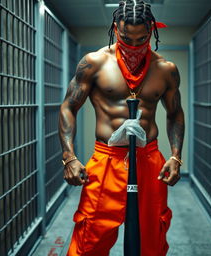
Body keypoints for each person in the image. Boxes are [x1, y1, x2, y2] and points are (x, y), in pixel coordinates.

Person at [58, 0, 185, 255]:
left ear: (152, 30)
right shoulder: (94, 63)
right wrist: (69, 157)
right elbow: (68, 107)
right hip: (107, 159)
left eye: (141, 39)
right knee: (89, 239)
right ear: (116, 29)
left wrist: (175, 156)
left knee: (151, 238)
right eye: (127, 38)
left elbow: (174, 113)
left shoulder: (166, 70)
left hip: (148, 159)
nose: (134, 46)